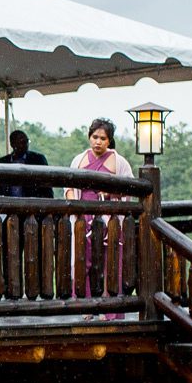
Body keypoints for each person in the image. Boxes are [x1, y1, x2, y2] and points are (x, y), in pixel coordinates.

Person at [71, 117, 132, 295]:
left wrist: (109, 195)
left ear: (109, 140)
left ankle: (110, 303)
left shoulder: (119, 161)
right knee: (83, 258)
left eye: (103, 138)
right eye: (95, 137)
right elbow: (69, 187)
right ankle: (84, 302)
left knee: (110, 258)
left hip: (108, 214)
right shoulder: (79, 159)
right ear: (89, 137)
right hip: (83, 213)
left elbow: (129, 188)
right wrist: (73, 205)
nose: (98, 142)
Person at [0, 129, 51, 198]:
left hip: (32, 204)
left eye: (26, 141)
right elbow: (1, 189)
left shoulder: (38, 159)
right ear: (12, 144)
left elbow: (47, 188)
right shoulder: (3, 161)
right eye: (22, 142)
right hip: (9, 204)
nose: (25, 144)